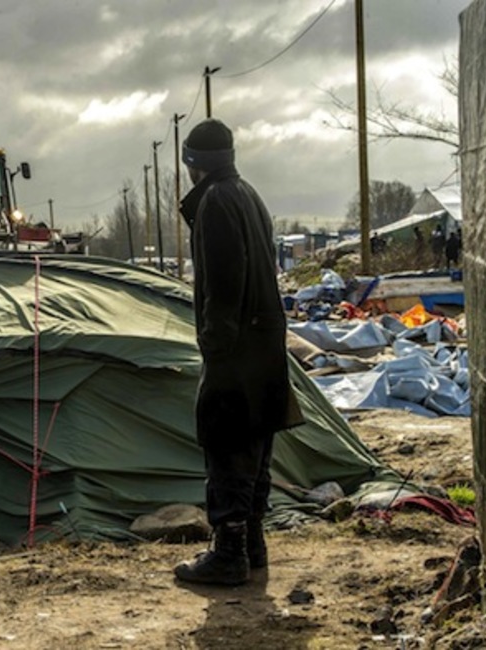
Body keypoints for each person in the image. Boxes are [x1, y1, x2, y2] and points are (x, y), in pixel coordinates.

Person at [174, 118, 303, 586]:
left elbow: (225, 280)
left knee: (227, 442)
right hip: (264, 341)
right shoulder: (248, 194)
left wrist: (214, 342)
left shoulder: (215, 202)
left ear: (195, 163)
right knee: (255, 443)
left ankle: (229, 554)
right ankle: (252, 543)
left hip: (236, 345)